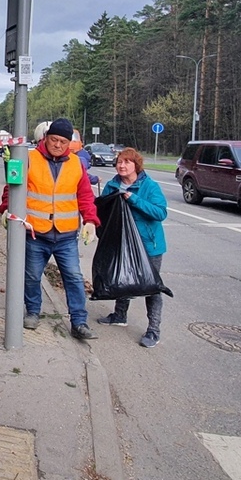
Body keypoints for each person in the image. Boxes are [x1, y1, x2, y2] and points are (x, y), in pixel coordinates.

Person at [0, 118, 100, 341]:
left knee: (74, 277)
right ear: (45, 138)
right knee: (32, 275)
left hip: (65, 235)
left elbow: (85, 196)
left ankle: (79, 322)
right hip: (36, 232)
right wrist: (6, 207)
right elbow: (12, 186)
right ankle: (33, 311)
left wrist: (90, 220)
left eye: (63, 142)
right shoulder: (29, 158)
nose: (58, 145)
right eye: (54, 140)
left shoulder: (76, 164)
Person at [96, 147, 169, 348]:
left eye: (127, 162)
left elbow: (160, 213)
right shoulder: (112, 186)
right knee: (122, 279)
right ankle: (120, 315)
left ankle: (153, 330)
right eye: (119, 161)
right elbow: (104, 214)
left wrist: (133, 199)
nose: (122, 165)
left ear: (136, 165)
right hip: (122, 243)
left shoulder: (149, 186)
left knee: (151, 287)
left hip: (149, 245)